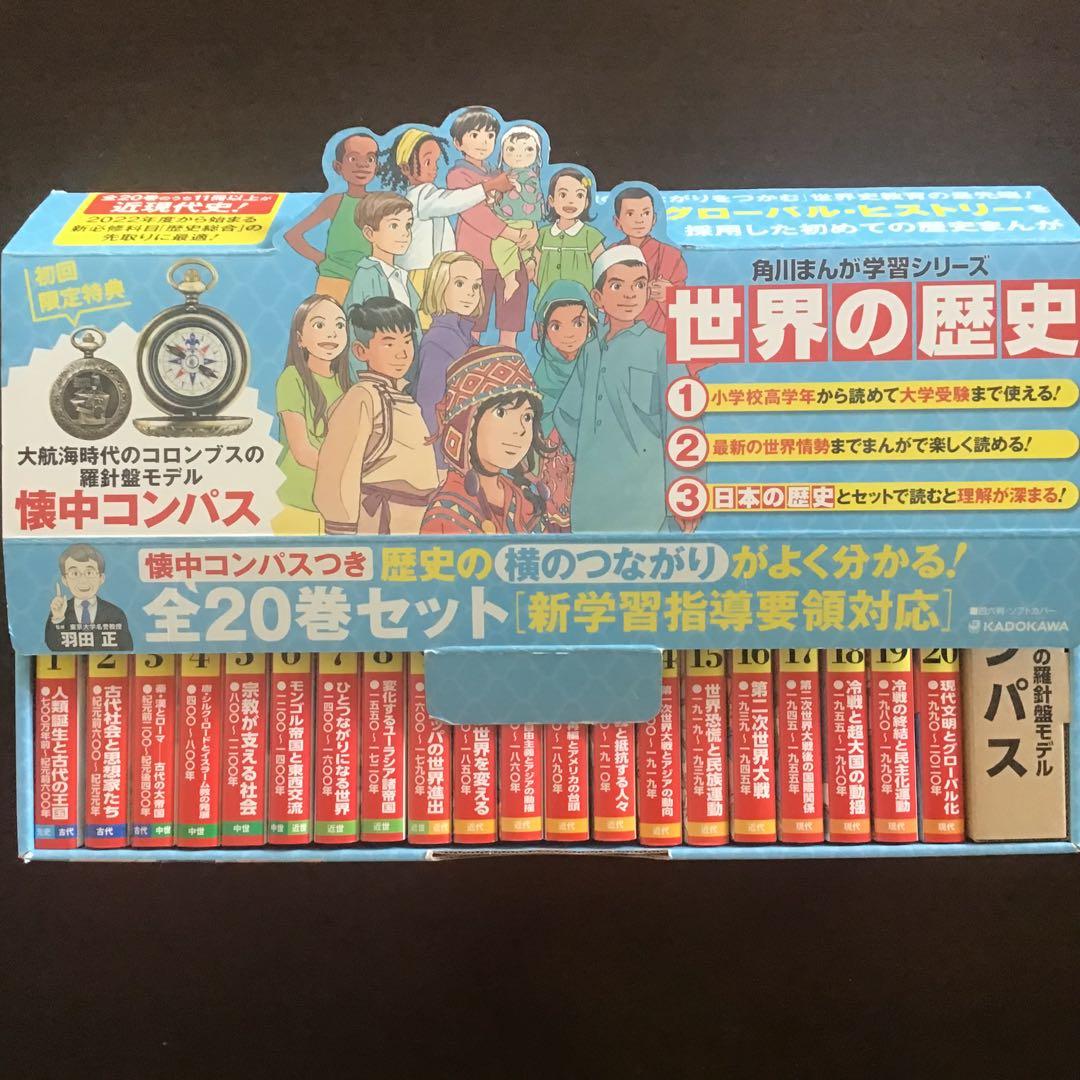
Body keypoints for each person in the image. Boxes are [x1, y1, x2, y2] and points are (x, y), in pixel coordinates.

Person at [553, 245, 702, 533]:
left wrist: (685, 494)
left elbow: (684, 425)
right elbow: (566, 414)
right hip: (591, 497)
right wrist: (591, 451)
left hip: (646, 496)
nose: (630, 294)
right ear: (598, 297)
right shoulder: (590, 350)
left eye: (639, 285)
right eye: (617, 285)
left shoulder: (662, 347)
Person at [314, 297, 438, 534]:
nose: (402, 353)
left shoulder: (404, 397)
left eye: (407, 341)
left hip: (415, 523)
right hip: (379, 523)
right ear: (361, 351)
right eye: (389, 344)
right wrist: (343, 531)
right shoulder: (363, 396)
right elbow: (339, 470)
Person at [378, 127, 512, 320]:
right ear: (406, 168)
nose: (434, 167)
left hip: (433, 271)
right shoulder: (420, 197)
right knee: (423, 318)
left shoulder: (427, 195)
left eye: (436, 161)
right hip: (421, 273)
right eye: (427, 162)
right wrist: (489, 186)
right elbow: (452, 201)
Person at [421, 346, 548, 534]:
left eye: (527, 417)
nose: (520, 430)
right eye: (501, 413)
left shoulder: (523, 502)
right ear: (466, 423)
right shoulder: (445, 514)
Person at [445, 106, 538, 347]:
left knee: (511, 321)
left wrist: (532, 230)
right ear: (458, 143)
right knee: (473, 324)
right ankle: (470, 362)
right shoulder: (459, 175)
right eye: (475, 135)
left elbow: (523, 206)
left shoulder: (500, 174)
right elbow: (475, 214)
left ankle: (509, 361)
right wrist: (511, 233)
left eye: (489, 136)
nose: (483, 142)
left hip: (511, 259)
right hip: (477, 261)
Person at [272, 294, 349, 535]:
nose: (331, 333)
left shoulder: (348, 385)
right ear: (300, 339)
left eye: (339, 325)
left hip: (338, 504)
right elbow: (302, 451)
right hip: (297, 501)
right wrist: (349, 472)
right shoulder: (292, 378)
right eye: (319, 325)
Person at [532, 280, 600, 530]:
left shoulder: (598, 365)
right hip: (552, 465)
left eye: (578, 323)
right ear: (545, 330)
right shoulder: (543, 374)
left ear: (590, 325)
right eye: (557, 326)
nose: (569, 334)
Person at [284, 132, 380, 302]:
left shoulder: (379, 203)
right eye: (353, 158)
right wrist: (321, 260)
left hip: (370, 279)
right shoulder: (334, 202)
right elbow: (292, 235)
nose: (362, 164)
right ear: (338, 167)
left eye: (370, 158)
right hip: (335, 280)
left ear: (376, 167)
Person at [413, 250, 485, 468]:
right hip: (445, 456)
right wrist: (439, 463)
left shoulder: (467, 337)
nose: (470, 293)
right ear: (439, 285)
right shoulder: (437, 342)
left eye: (476, 286)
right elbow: (428, 407)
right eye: (460, 283)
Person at [342, 192, 422, 375]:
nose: (404, 233)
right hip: (376, 373)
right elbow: (356, 332)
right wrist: (362, 379)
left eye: (408, 225)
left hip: (407, 369)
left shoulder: (401, 276)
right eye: (394, 225)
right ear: (370, 233)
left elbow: (415, 328)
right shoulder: (367, 275)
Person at [611, 185, 688, 334]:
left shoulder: (670, 255)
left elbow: (685, 306)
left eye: (645, 213)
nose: (639, 220)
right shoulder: (612, 253)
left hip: (659, 333)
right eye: (630, 214)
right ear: (617, 222)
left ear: (654, 219)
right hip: (620, 333)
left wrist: (670, 294)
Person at [534, 167, 605, 309]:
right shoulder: (543, 234)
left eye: (579, 195)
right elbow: (536, 271)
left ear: (586, 202)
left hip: (583, 306)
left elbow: (602, 272)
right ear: (551, 200)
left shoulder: (591, 236)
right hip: (547, 304)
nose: (571, 201)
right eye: (563, 194)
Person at [490, 124, 545, 303]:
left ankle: (510, 279)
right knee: (518, 248)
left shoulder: (530, 176)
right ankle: (528, 262)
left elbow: (533, 195)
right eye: (511, 149)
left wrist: (520, 187)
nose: (518, 155)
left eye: (527, 149)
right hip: (508, 217)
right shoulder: (506, 174)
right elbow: (502, 197)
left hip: (522, 219)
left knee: (500, 246)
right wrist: (493, 201)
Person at [45, 544, 132, 651]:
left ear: (101, 578)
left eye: (89, 573)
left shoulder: (115, 613)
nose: (83, 580)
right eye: (75, 573)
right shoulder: (58, 611)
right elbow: (52, 646)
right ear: (65, 580)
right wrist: (58, 618)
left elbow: (127, 648)